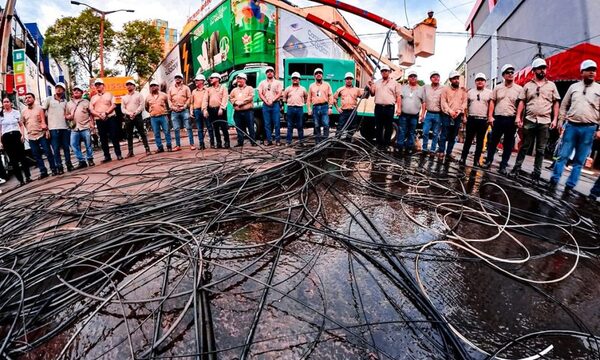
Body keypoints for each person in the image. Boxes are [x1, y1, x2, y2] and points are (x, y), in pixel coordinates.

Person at [549, 59, 600, 191]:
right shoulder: (573, 87)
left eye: (594, 70)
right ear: (582, 72)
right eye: (589, 70)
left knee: (579, 160)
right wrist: (561, 121)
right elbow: (564, 105)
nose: (592, 73)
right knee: (563, 156)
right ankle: (554, 180)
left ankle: (570, 186)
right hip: (571, 126)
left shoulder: (599, 89)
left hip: (589, 129)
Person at [510, 58, 561, 183]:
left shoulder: (551, 86)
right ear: (534, 70)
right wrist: (518, 117)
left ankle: (536, 174)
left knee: (540, 149)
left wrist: (555, 119)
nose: (542, 70)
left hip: (545, 121)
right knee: (525, 146)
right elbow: (522, 101)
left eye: (544, 68)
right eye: (539, 68)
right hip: (530, 120)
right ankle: (516, 169)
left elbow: (556, 103)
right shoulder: (528, 86)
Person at [483, 64, 522, 175]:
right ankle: (489, 161)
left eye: (512, 72)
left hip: (511, 119)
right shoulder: (497, 88)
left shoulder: (519, 89)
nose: (510, 74)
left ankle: (503, 165)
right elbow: (492, 102)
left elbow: (521, 104)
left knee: (508, 144)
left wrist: (519, 118)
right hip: (498, 118)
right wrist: (490, 116)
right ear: (503, 75)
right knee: (493, 141)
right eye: (508, 72)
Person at [22, 93, 57, 179]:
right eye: (26, 98)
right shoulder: (23, 111)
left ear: (34, 99)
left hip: (42, 134)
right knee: (36, 155)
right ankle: (43, 171)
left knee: (48, 152)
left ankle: (53, 169)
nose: (27, 99)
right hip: (31, 136)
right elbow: (22, 123)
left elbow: (46, 121)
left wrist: (47, 131)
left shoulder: (40, 109)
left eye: (29, 97)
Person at [460, 73, 492, 166]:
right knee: (468, 140)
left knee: (480, 141)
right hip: (472, 119)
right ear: (475, 82)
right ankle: (463, 158)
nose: (480, 82)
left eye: (482, 80)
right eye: (478, 80)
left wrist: (489, 117)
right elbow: (465, 106)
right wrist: (465, 117)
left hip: (483, 120)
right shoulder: (470, 92)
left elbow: (491, 106)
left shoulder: (489, 93)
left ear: (485, 82)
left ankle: (476, 161)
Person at [368, 64, 402, 149]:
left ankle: (386, 144)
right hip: (378, 107)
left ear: (389, 72)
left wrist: (399, 108)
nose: (384, 72)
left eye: (386, 71)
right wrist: (370, 86)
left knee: (388, 127)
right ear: (381, 73)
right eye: (382, 71)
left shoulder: (395, 83)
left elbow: (398, 96)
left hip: (389, 108)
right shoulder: (377, 83)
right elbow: (372, 94)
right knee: (379, 126)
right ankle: (378, 144)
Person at [42, 82, 73, 173]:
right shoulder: (49, 99)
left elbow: (67, 114)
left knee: (66, 148)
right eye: (57, 87)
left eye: (61, 88)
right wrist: (44, 124)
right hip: (53, 128)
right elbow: (42, 112)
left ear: (63, 90)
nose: (58, 89)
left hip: (64, 127)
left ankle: (69, 165)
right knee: (56, 149)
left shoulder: (65, 102)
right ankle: (59, 167)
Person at [90, 78, 123, 163]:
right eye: (96, 85)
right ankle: (107, 156)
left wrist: (106, 113)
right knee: (103, 138)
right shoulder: (93, 98)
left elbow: (114, 105)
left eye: (99, 84)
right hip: (99, 119)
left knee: (114, 136)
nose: (98, 86)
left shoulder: (110, 94)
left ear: (103, 86)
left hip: (110, 117)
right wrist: (99, 115)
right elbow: (91, 109)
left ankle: (118, 154)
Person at [0, 97, 31, 185]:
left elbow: (21, 125)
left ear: (10, 103)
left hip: (16, 135)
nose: (6, 103)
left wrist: (22, 135)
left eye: (7, 102)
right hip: (6, 137)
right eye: (4, 102)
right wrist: (1, 142)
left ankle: (28, 176)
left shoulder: (16, 112)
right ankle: (20, 180)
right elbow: (0, 129)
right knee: (13, 160)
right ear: (2, 104)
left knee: (22, 157)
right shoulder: (1, 115)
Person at [438, 70, 467, 160]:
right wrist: (450, 111)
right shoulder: (445, 90)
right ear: (450, 80)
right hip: (447, 115)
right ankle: (441, 151)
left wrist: (458, 111)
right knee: (444, 134)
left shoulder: (462, 91)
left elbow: (464, 102)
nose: (456, 80)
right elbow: (443, 102)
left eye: (457, 78)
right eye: (454, 79)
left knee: (453, 135)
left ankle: (449, 153)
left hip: (457, 115)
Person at [66, 85, 95, 169]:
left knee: (88, 144)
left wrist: (92, 123)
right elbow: (66, 115)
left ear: (82, 93)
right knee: (73, 144)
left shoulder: (86, 102)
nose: (76, 91)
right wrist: (69, 117)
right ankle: (81, 161)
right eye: (75, 90)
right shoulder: (69, 103)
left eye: (78, 90)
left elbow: (91, 114)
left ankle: (90, 159)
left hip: (85, 126)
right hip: (74, 128)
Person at [397, 69, 424, 154]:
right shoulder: (403, 87)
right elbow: (399, 98)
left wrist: (422, 114)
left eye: (414, 76)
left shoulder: (421, 89)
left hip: (414, 115)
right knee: (402, 131)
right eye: (411, 76)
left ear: (417, 78)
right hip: (403, 114)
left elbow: (424, 102)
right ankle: (400, 147)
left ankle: (409, 148)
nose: (413, 78)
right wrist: (398, 108)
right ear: (408, 78)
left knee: (411, 132)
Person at [122, 79, 151, 157]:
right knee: (129, 135)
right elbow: (123, 109)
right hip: (128, 118)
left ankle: (147, 149)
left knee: (142, 133)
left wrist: (135, 112)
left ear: (134, 86)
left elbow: (142, 106)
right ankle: (130, 151)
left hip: (137, 116)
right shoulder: (124, 97)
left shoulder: (139, 95)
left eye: (131, 84)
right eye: (127, 85)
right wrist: (129, 113)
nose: (129, 86)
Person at [333, 72, 365, 140]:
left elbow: (364, 96)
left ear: (352, 80)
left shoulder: (357, 90)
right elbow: (334, 99)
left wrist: (368, 89)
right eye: (347, 78)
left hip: (353, 112)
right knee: (340, 126)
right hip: (343, 112)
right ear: (345, 80)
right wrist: (337, 108)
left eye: (350, 79)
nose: (349, 80)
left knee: (352, 127)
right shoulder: (340, 89)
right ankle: (336, 140)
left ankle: (348, 140)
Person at [202, 73, 230, 149]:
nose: (210, 79)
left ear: (217, 79)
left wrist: (222, 108)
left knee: (224, 127)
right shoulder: (208, 89)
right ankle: (219, 143)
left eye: (212, 78)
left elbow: (225, 98)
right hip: (212, 110)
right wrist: (204, 110)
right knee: (216, 127)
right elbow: (205, 100)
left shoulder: (223, 88)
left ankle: (227, 142)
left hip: (221, 110)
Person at [307, 68, 333, 144]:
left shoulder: (327, 85)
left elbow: (330, 96)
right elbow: (309, 98)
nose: (318, 74)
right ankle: (317, 142)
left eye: (320, 73)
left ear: (322, 75)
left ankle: (325, 142)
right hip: (315, 107)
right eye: (317, 73)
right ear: (314, 76)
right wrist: (309, 108)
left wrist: (330, 107)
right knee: (316, 125)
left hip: (324, 107)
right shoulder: (311, 86)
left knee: (326, 124)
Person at [258, 66, 283, 146]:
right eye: (268, 71)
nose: (269, 73)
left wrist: (273, 100)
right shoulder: (262, 83)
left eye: (271, 71)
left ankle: (278, 140)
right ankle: (269, 140)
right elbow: (260, 93)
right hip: (266, 105)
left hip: (275, 104)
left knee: (277, 123)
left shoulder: (278, 82)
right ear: (266, 73)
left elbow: (279, 93)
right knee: (267, 123)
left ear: (273, 73)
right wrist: (266, 101)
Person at [230, 73, 256, 147]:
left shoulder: (249, 88)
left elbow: (250, 97)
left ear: (245, 79)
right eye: (238, 79)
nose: (239, 80)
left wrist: (241, 103)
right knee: (239, 127)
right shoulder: (234, 90)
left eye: (240, 78)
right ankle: (240, 142)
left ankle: (253, 141)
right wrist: (235, 102)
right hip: (237, 112)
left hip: (248, 111)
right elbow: (231, 98)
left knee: (250, 126)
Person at [145, 80, 172, 153]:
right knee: (156, 133)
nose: (153, 87)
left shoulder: (164, 95)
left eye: (154, 85)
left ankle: (169, 146)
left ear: (158, 86)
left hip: (163, 116)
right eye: (151, 86)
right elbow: (146, 107)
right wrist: (152, 111)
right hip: (153, 117)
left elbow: (168, 104)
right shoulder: (148, 97)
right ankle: (160, 147)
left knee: (166, 131)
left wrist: (165, 111)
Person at [282, 72, 308, 145]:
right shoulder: (288, 89)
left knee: (300, 125)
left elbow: (306, 97)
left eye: (296, 78)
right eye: (293, 78)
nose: (295, 80)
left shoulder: (303, 89)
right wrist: (290, 103)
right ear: (291, 79)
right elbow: (284, 98)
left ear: (299, 79)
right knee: (290, 126)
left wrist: (302, 103)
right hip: (290, 108)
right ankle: (288, 142)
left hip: (299, 109)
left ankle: (301, 142)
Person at [168, 73, 192, 151]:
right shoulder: (171, 89)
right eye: (176, 77)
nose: (177, 79)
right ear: (174, 79)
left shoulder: (186, 88)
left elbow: (189, 98)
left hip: (184, 110)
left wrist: (184, 106)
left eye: (179, 77)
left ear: (182, 79)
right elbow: (169, 100)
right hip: (174, 111)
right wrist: (173, 107)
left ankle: (191, 144)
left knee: (188, 127)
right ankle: (178, 145)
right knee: (176, 128)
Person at [422, 70, 444, 154]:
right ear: (431, 79)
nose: (436, 78)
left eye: (437, 77)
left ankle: (432, 149)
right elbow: (423, 100)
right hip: (429, 113)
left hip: (438, 114)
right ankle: (424, 148)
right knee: (425, 131)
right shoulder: (425, 87)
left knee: (435, 133)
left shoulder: (443, 88)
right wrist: (422, 114)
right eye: (434, 77)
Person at [190, 74, 212, 150]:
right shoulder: (193, 92)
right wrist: (191, 111)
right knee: (199, 128)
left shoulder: (207, 90)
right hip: (197, 111)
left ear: (202, 81)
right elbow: (191, 102)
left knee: (209, 126)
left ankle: (212, 143)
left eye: (197, 80)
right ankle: (201, 144)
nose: (196, 82)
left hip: (206, 110)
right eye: (196, 80)